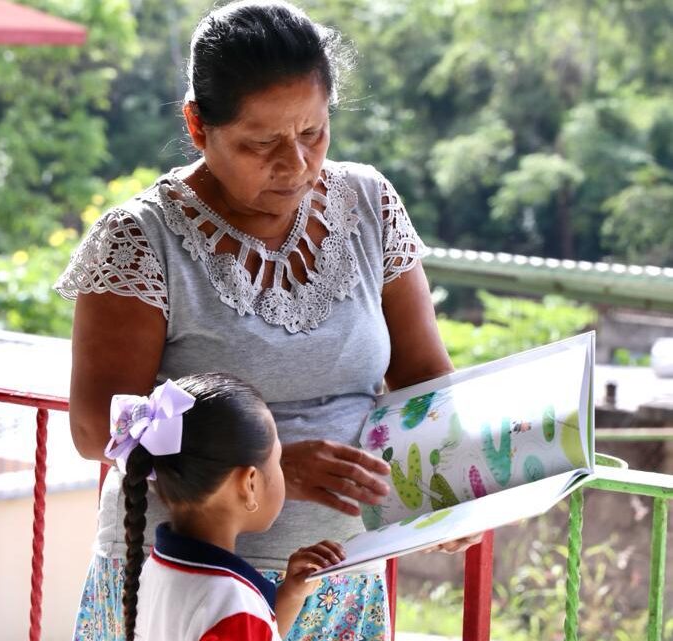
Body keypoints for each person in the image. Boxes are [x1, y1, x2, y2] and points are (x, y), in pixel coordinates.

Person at [55, 2, 480, 639]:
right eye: (261, 143)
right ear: (198, 126)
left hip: (340, 579)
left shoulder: (369, 203)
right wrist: (268, 460)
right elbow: (97, 429)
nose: (296, 164)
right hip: (188, 590)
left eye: (313, 133)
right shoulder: (141, 240)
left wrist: (457, 488)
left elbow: (424, 377)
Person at [110, 373, 344, 640]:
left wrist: (291, 593)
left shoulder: (159, 566)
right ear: (249, 483)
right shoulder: (231, 601)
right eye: (278, 461)